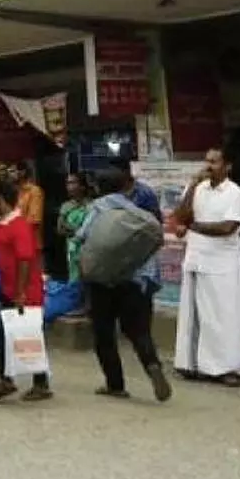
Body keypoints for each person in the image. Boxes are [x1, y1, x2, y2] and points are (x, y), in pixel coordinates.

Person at [75, 167, 170, 401]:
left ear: (97, 188)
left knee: (104, 333)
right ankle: (152, 366)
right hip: (135, 280)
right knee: (139, 331)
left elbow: (83, 236)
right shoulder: (136, 211)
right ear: (125, 187)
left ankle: (115, 384)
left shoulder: (97, 208)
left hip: (102, 281)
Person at [173, 147, 240, 387]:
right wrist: (193, 185)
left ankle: (228, 368)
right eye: (206, 161)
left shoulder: (235, 194)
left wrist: (193, 227)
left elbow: (227, 228)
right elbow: (180, 216)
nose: (208, 166)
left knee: (224, 316)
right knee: (194, 315)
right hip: (197, 259)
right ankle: (192, 364)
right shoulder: (196, 188)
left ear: (227, 166)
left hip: (223, 264)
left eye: (214, 162)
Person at [0, 178, 52, 402]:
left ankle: (40, 384)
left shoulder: (19, 225)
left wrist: (21, 292)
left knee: (28, 335)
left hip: (24, 288)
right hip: (4, 287)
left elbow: (25, 259)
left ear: (1, 199)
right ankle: (6, 378)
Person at [58, 172, 94, 285]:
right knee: (75, 282)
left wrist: (74, 230)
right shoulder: (66, 206)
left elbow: (92, 229)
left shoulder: (92, 205)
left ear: (82, 186)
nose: (69, 186)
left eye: (72, 183)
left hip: (89, 250)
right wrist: (77, 230)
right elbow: (60, 229)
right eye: (67, 183)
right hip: (73, 250)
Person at [13, 160, 45, 250]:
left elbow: (33, 221)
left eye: (12, 171)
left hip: (31, 245)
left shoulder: (34, 191)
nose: (8, 174)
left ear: (22, 172)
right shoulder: (15, 192)